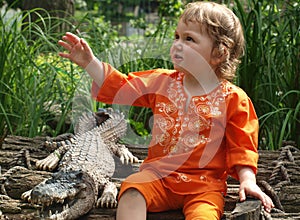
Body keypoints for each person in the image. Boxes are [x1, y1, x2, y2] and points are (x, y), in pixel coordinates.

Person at [58, 1, 274, 219]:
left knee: (204, 216)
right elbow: (122, 87)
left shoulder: (234, 99)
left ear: (218, 53)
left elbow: (242, 147)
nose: (178, 44)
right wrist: (89, 63)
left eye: (189, 39)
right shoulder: (162, 82)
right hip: (157, 177)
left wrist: (248, 181)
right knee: (132, 190)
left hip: (204, 187)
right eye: (176, 37)